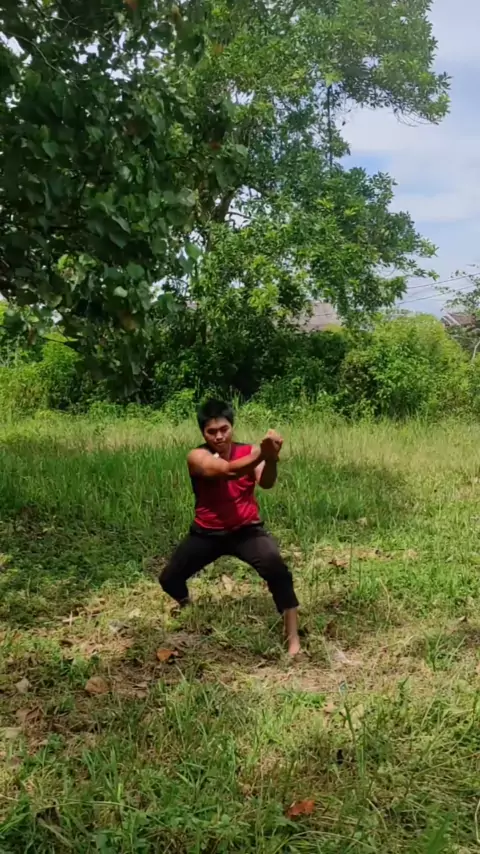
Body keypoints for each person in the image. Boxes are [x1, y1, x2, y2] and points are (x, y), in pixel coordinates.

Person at [159, 399, 301, 656]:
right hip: (207, 533)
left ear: (232, 427)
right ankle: (187, 606)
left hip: (246, 530)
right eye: (211, 431)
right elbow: (228, 471)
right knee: (169, 579)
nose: (219, 436)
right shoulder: (197, 457)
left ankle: (293, 639)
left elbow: (266, 483)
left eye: (224, 429)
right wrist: (263, 452)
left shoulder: (248, 451)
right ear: (203, 433)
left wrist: (271, 459)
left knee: (277, 569)